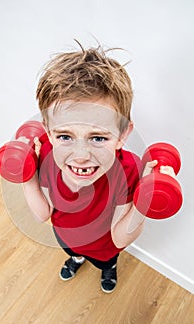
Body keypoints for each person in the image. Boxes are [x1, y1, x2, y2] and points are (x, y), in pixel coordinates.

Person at [23, 42, 175, 293]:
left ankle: (108, 269)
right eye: (65, 136)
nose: (81, 155)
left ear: (122, 135)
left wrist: (144, 201)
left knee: (106, 261)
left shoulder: (128, 172)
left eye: (98, 138)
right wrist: (25, 175)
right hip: (65, 235)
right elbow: (42, 214)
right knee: (73, 251)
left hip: (104, 247)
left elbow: (118, 237)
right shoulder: (47, 154)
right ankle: (76, 259)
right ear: (49, 132)